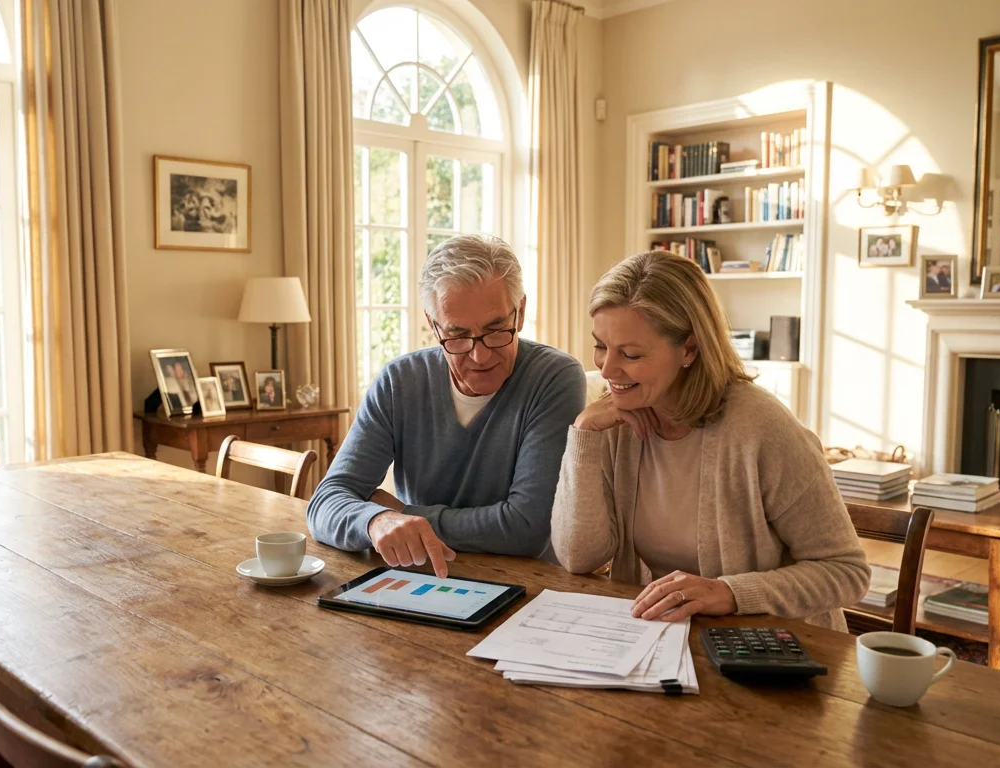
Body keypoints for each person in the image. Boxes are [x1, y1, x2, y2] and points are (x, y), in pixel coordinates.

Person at [551, 251, 870, 630]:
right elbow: (578, 557)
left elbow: (847, 572)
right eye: (600, 346)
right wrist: (583, 435)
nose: (607, 370)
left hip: (775, 648)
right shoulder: (611, 417)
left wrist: (729, 592)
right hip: (670, 639)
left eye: (631, 354)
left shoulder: (761, 427)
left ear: (689, 349)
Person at [308, 234, 586, 576]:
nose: (479, 355)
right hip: (420, 578)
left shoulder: (554, 377)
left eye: (497, 329)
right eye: (457, 335)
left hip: (527, 587)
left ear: (521, 312)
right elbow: (326, 501)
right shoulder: (400, 381)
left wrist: (407, 514)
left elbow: (526, 528)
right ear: (432, 324)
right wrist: (376, 521)